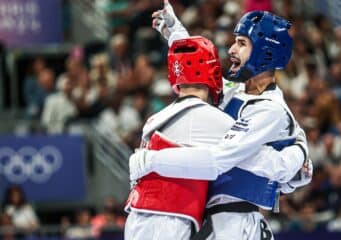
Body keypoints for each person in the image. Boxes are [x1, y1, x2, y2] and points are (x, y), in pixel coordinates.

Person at [129, 2, 312, 239]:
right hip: (212, 215)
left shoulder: (270, 110)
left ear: (265, 52)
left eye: (242, 43)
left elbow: (218, 160)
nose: (232, 50)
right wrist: (174, 31)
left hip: (236, 222)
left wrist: (151, 161)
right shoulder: (236, 91)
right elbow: (200, 70)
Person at [125, 36, 235, 240]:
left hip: (137, 217)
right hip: (169, 219)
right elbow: (249, 148)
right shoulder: (212, 119)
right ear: (212, 70)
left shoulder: (154, 118)